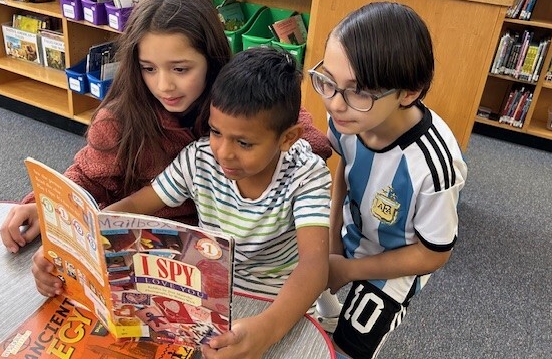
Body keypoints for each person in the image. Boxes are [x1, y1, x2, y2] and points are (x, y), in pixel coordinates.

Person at [32, 47, 332, 359]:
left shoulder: (306, 174)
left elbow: (314, 265)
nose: (224, 153)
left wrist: (267, 329)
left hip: (278, 303)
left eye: (244, 143)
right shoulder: (199, 159)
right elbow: (134, 207)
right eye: (216, 131)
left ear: (287, 138)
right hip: (206, 298)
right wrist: (69, 244)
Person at [0, 0, 332, 253]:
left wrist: (278, 142)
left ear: (212, 59)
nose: (164, 85)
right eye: (149, 69)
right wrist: (44, 205)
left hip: (216, 248)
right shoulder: (118, 121)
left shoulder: (230, 99)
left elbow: (308, 136)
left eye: (181, 69)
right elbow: (87, 176)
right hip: (141, 242)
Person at [310, 2, 468, 359]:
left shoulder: (434, 167)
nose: (334, 104)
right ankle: (332, 311)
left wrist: (350, 269)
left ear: (409, 93)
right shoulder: (349, 116)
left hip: (398, 261)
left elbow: (433, 254)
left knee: (349, 348)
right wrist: (333, 241)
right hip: (354, 232)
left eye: (359, 90)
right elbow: (344, 172)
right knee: (305, 273)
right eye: (329, 82)